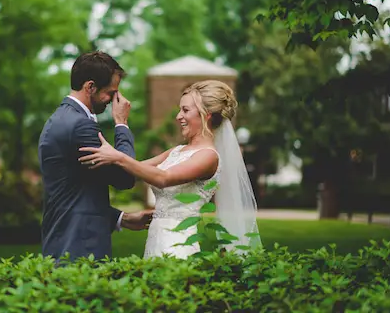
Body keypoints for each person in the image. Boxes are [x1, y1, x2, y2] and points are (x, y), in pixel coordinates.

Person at [79, 80, 262, 258]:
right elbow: (133, 170)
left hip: (178, 245)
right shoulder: (176, 151)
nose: (178, 116)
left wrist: (118, 156)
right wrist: (120, 123)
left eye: (185, 110)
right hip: (156, 240)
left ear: (205, 114)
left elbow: (164, 178)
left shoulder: (208, 156)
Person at [38, 51, 152, 262]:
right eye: (111, 92)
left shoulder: (59, 119)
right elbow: (124, 178)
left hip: (62, 242)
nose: (113, 100)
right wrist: (121, 124)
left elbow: (74, 190)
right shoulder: (81, 126)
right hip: (79, 247)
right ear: (90, 87)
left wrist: (121, 219)